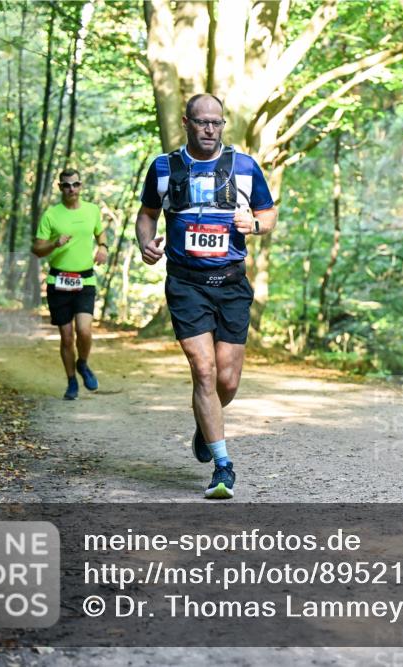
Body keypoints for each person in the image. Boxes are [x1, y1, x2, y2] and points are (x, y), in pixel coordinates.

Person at [135, 93, 277, 500]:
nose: (210, 129)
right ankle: (222, 465)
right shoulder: (164, 168)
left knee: (226, 381)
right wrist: (146, 243)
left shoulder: (244, 167)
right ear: (186, 123)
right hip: (186, 284)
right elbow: (147, 214)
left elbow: (268, 214)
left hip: (231, 284)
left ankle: (205, 424)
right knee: (203, 370)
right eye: (202, 122)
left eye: (217, 122)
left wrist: (254, 225)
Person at [32, 169, 108, 400]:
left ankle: (82, 363)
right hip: (58, 281)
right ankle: (71, 381)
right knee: (66, 337)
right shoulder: (51, 215)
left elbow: (100, 233)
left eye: (75, 184)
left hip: (85, 280)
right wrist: (54, 243)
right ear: (60, 187)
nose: (71, 189)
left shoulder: (92, 210)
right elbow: (37, 249)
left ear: (81, 186)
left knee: (84, 330)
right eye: (66, 185)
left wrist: (103, 247)